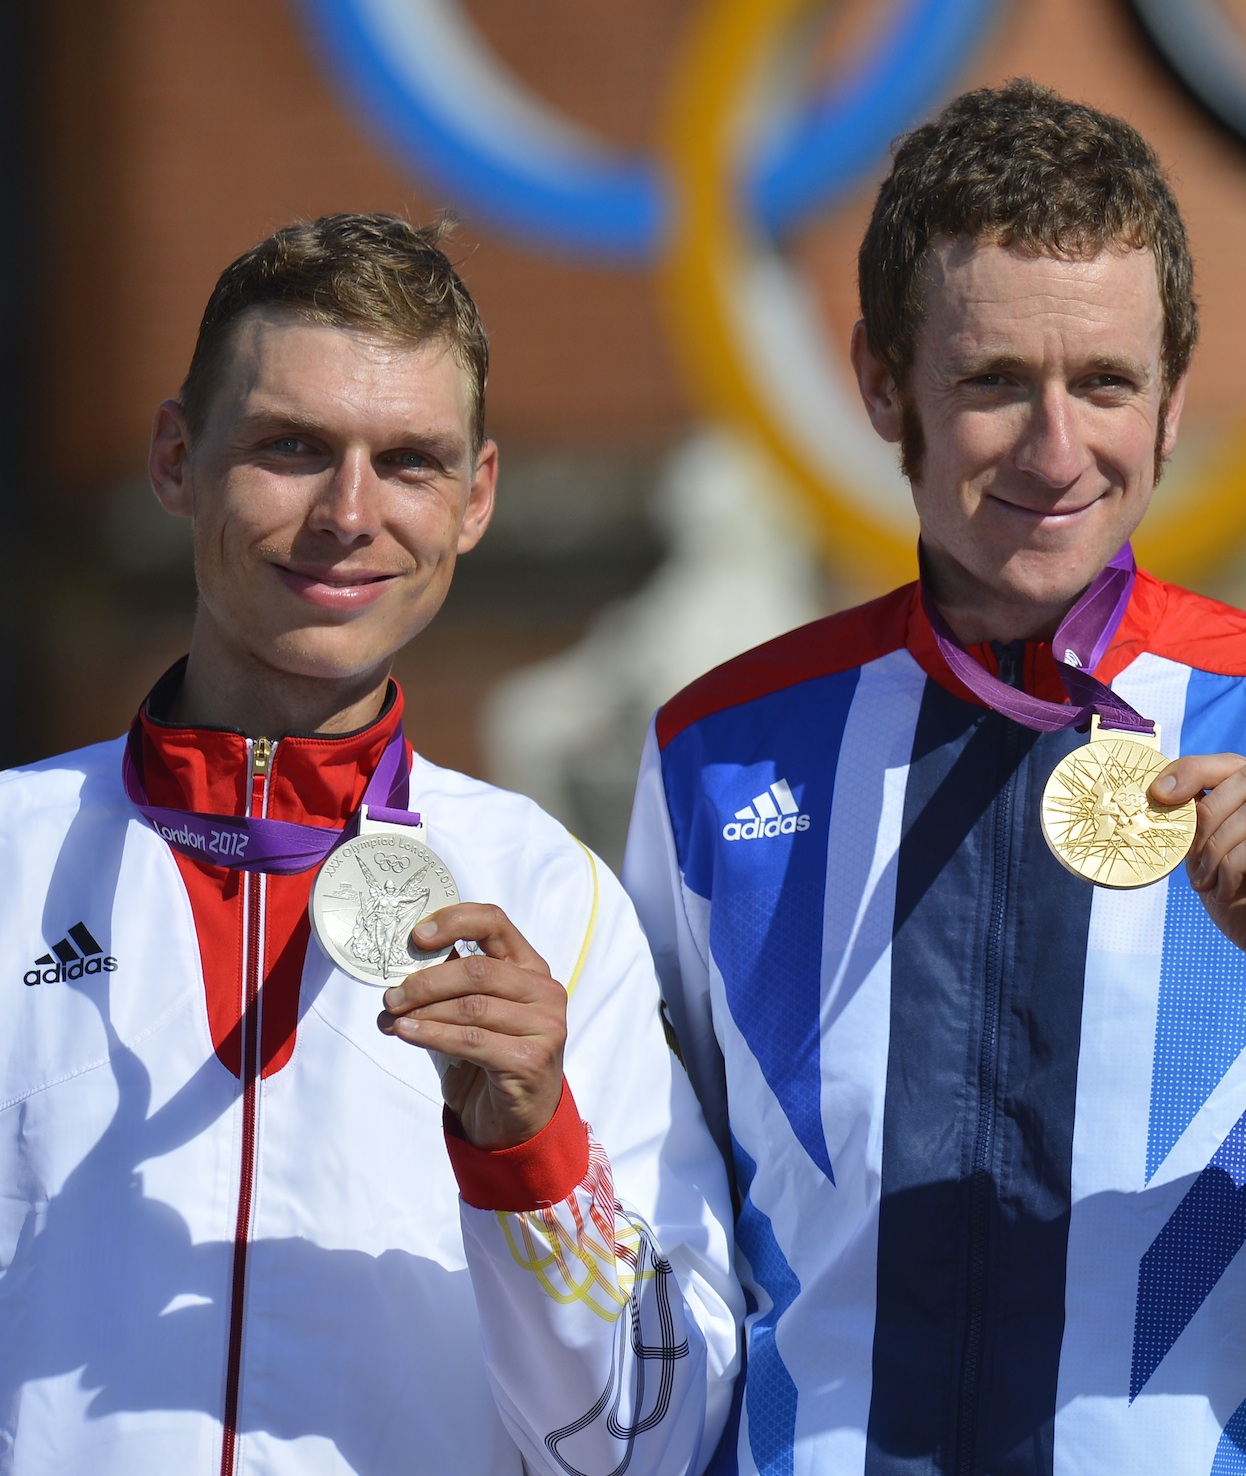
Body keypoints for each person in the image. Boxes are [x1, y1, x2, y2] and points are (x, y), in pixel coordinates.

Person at [623, 80, 1246, 1474]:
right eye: (996, 382)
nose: (1058, 454)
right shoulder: (726, 749)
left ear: (1175, 400)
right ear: (883, 382)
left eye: (1106, 384)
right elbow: (660, 1276)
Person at [0, 214, 739, 1475]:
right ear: (177, 459)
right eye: (292, 448)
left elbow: (647, 1446)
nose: (350, 514)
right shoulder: (15, 858)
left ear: (477, 499)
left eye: (408, 461)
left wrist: (530, 1152)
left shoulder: (555, 899)